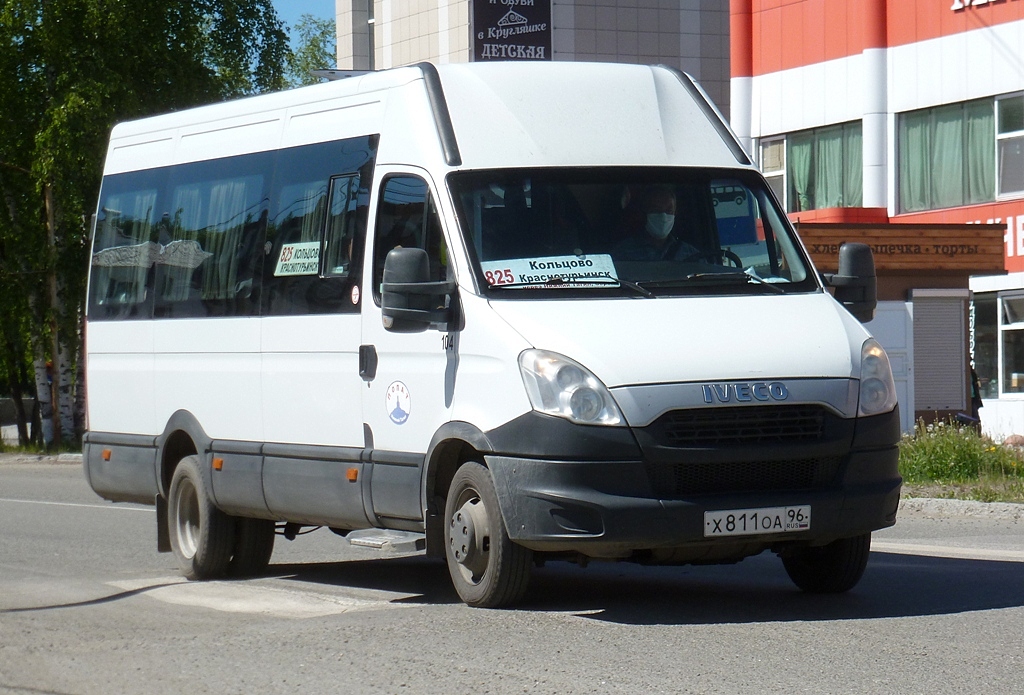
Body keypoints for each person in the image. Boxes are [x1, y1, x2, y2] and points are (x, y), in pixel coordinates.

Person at [613, 185, 700, 261]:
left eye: (669, 210)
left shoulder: (691, 254)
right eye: (656, 210)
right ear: (644, 213)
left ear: (675, 213)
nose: (663, 215)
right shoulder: (623, 252)